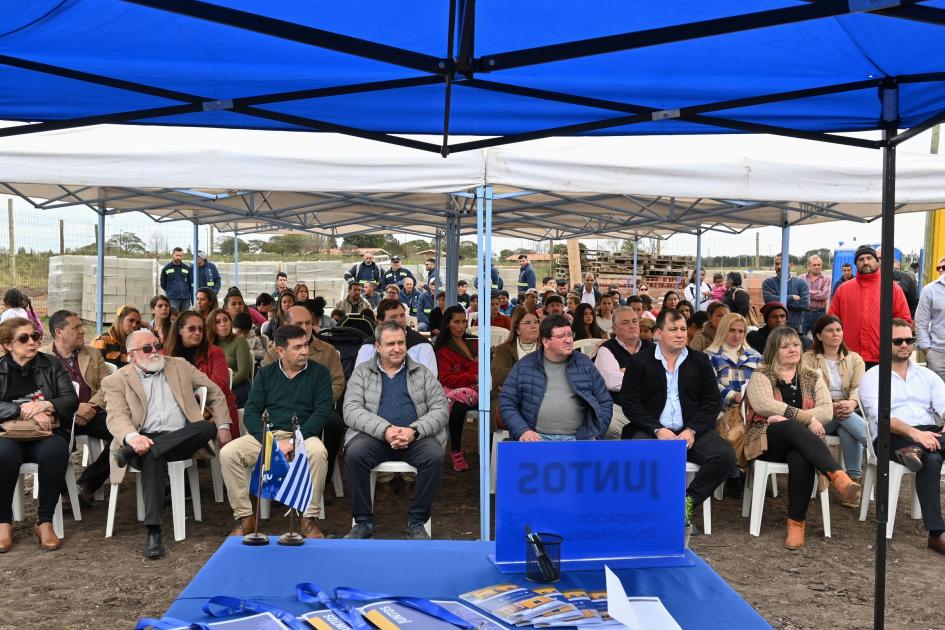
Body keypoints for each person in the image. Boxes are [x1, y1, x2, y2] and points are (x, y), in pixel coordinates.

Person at [103, 329, 230, 558]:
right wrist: (133, 438)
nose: (155, 351)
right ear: (131, 355)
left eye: (157, 345)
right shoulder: (116, 380)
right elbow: (116, 416)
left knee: (207, 427)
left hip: (183, 437)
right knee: (153, 456)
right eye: (147, 348)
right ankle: (154, 532)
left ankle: (134, 452)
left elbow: (214, 391)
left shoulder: (178, 365)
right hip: (144, 438)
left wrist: (223, 426)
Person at [744, 326, 861, 550]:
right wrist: (806, 419)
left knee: (800, 456)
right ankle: (837, 475)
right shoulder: (761, 375)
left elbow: (827, 411)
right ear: (773, 350)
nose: (792, 349)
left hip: (803, 444)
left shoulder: (811, 376)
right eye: (785, 346)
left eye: (796, 344)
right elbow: (763, 405)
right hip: (768, 440)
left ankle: (796, 524)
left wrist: (788, 417)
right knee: (790, 428)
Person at [620, 309, 735, 521]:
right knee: (639, 456)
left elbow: (712, 402)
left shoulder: (699, 361)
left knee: (725, 456)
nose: (680, 334)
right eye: (673, 329)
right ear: (658, 333)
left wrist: (692, 430)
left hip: (691, 431)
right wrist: (657, 429)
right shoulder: (639, 362)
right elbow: (630, 403)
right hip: (651, 430)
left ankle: (682, 506)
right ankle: (648, 511)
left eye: (683, 329)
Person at [221, 325, 331, 539]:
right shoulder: (267, 373)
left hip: (303, 436)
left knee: (318, 453)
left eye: (306, 345)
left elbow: (322, 413)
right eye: (297, 347)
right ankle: (245, 517)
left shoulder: (319, 373)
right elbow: (252, 410)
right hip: (268, 435)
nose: (305, 351)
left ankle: (309, 519)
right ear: (281, 351)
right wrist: (270, 441)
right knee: (228, 453)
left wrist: (293, 440)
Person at [342, 321, 448, 540]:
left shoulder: (422, 372)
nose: (397, 348)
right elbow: (351, 409)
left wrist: (413, 431)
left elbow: (440, 409)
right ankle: (363, 522)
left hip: (415, 437)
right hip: (374, 437)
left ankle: (417, 521)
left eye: (401, 342)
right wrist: (386, 430)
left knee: (434, 457)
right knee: (354, 455)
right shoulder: (362, 373)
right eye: (390, 344)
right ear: (377, 346)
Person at [858, 319, 945, 555]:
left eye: (909, 340)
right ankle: (937, 535)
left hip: (929, 433)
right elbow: (882, 418)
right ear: (885, 344)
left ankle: (936, 534)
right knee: (934, 458)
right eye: (898, 341)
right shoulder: (873, 377)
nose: (905, 345)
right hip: (890, 436)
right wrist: (916, 434)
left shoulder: (927, 375)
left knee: (932, 456)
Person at [0, 318, 78, 553]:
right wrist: (23, 410)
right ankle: (3, 522)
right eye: (24, 338)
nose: (32, 342)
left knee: (55, 451)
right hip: (8, 434)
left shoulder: (51, 364)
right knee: (3, 454)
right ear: (8, 345)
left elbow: (70, 400)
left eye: (35, 336)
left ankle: (44, 522)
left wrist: (45, 406)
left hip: (47, 433)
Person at [500, 314, 611, 441]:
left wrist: (596, 433)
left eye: (570, 335)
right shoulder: (525, 366)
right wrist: (522, 431)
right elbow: (507, 402)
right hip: (536, 439)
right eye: (561, 336)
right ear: (546, 342)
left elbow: (604, 401)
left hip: (579, 439)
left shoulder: (584, 363)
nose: (568, 340)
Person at [41, 310, 113, 505]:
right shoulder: (42, 358)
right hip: (60, 416)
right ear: (59, 332)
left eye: (82, 327)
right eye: (76, 328)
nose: (82, 331)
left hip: (92, 412)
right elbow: (40, 394)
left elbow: (108, 384)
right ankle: (65, 493)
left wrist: (91, 405)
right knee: (53, 446)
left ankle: (87, 485)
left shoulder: (92, 352)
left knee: (126, 434)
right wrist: (73, 410)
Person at [801, 315, 867, 501]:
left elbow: (859, 388)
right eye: (829, 330)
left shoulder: (854, 359)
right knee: (842, 418)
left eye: (838, 330)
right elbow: (808, 390)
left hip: (847, 411)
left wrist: (852, 403)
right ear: (819, 336)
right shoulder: (808, 358)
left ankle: (852, 485)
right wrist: (831, 405)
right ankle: (874, 443)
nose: (835, 334)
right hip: (819, 415)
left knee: (847, 431)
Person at [704, 313, 762, 497]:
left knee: (756, 427)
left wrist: (748, 399)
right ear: (723, 330)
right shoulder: (708, 355)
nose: (737, 335)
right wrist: (732, 396)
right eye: (732, 330)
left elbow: (764, 382)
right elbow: (709, 384)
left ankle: (740, 472)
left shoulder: (755, 356)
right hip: (721, 408)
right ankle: (736, 474)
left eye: (741, 331)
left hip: (751, 408)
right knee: (731, 429)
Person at [828, 244, 912, 368]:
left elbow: (904, 321)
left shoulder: (892, 287)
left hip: (882, 357)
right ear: (856, 263)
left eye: (869, 258)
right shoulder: (843, 290)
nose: (866, 262)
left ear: (876, 261)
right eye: (861, 259)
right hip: (850, 357)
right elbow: (831, 322)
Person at [164, 310, 239, 433]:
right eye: (192, 329)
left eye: (200, 329)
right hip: (175, 410)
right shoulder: (166, 355)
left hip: (212, 409)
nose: (198, 333)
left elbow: (219, 385)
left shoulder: (215, 352)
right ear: (179, 330)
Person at [260, 305, 345, 401]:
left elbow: (337, 383)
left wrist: (317, 402)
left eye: (308, 323)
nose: (304, 328)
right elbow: (266, 385)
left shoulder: (328, 351)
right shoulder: (274, 353)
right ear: (286, 325)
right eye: (299, 324)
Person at [433, 306, 478, 472]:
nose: (461, 326)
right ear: (447, 324)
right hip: (458, 394)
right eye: (456, 322)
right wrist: (472, 376)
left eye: (464, 322)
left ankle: (490, 449)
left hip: (480, 391)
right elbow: (446, 379)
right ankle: (456, 451)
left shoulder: (475, 341)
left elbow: (485, 367)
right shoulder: (443, 350)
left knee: (494, 405)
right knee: (458, 408)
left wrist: (462, 372)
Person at [595, 307, 650, 438]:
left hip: (650, 408)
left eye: (634, 321)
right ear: (614, 329)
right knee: (608, 425)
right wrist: (647, 377)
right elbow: (612, 382)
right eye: (625, 323)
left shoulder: (652, 348)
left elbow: (664, 377)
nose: (632, 326)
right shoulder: (607, 349)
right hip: (619, 409)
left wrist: (627, 373)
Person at [491, 307, 539, 432]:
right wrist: (532, 377)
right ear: (517, 329)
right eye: (528, 323)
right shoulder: (503, 349)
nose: (534, 326)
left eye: (536, 322)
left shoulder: (547, 348)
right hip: (509, 398)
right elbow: (498, 374)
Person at [206, 308, 253, 408]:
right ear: (211, 326)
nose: (223, 324)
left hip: (237, 386)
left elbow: (243, 373)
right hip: (214, 387)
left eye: (226, 320)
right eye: (218, 322)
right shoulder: (207, 345)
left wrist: (222, 387)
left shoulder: (239, 341)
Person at [761, 254, 809, 332]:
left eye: (782, 263)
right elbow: (769, 300)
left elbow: (805, 304)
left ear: (791, 264)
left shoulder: (801, 283)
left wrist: (777, 303)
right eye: (777, 264)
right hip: (773, 329)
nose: (779, 266)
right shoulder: (768, 283)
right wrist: (791, 297)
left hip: (794, 328)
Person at [916, 255, 945, 382]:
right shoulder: (930, 290)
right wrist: (928, 352)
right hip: (938, 354)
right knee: (938, 398)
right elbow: (921, 324)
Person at [877, 246, 919, 317]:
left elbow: (915, 303)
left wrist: (910, 321)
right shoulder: (870, 280)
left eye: (881, 258)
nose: (879, 261)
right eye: (877, 258)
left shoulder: (906, 278)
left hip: (900, 324)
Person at [801, 255, 830, 336]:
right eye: (814, 265)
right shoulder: (801, 278)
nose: (817, 267)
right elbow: (800, 294)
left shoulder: (826, 279)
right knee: (800, 338)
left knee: (819, 340)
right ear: (809, 266)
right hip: (804, 313)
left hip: (819, 314)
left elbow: (824, 295)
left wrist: (806, 293)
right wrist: (818, 292)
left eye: (819, 265)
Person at [159, 247, 194, 313]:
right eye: (177, 255)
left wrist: (187, 294)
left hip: (185, 299)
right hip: (173, 299)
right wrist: (171, 291)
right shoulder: (166, 268)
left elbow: (190, 283)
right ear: (172, 255)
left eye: (180, 256)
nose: (178, 257)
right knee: (174, 318)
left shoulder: (187, 268)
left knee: (184, 318)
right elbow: (163, 284)